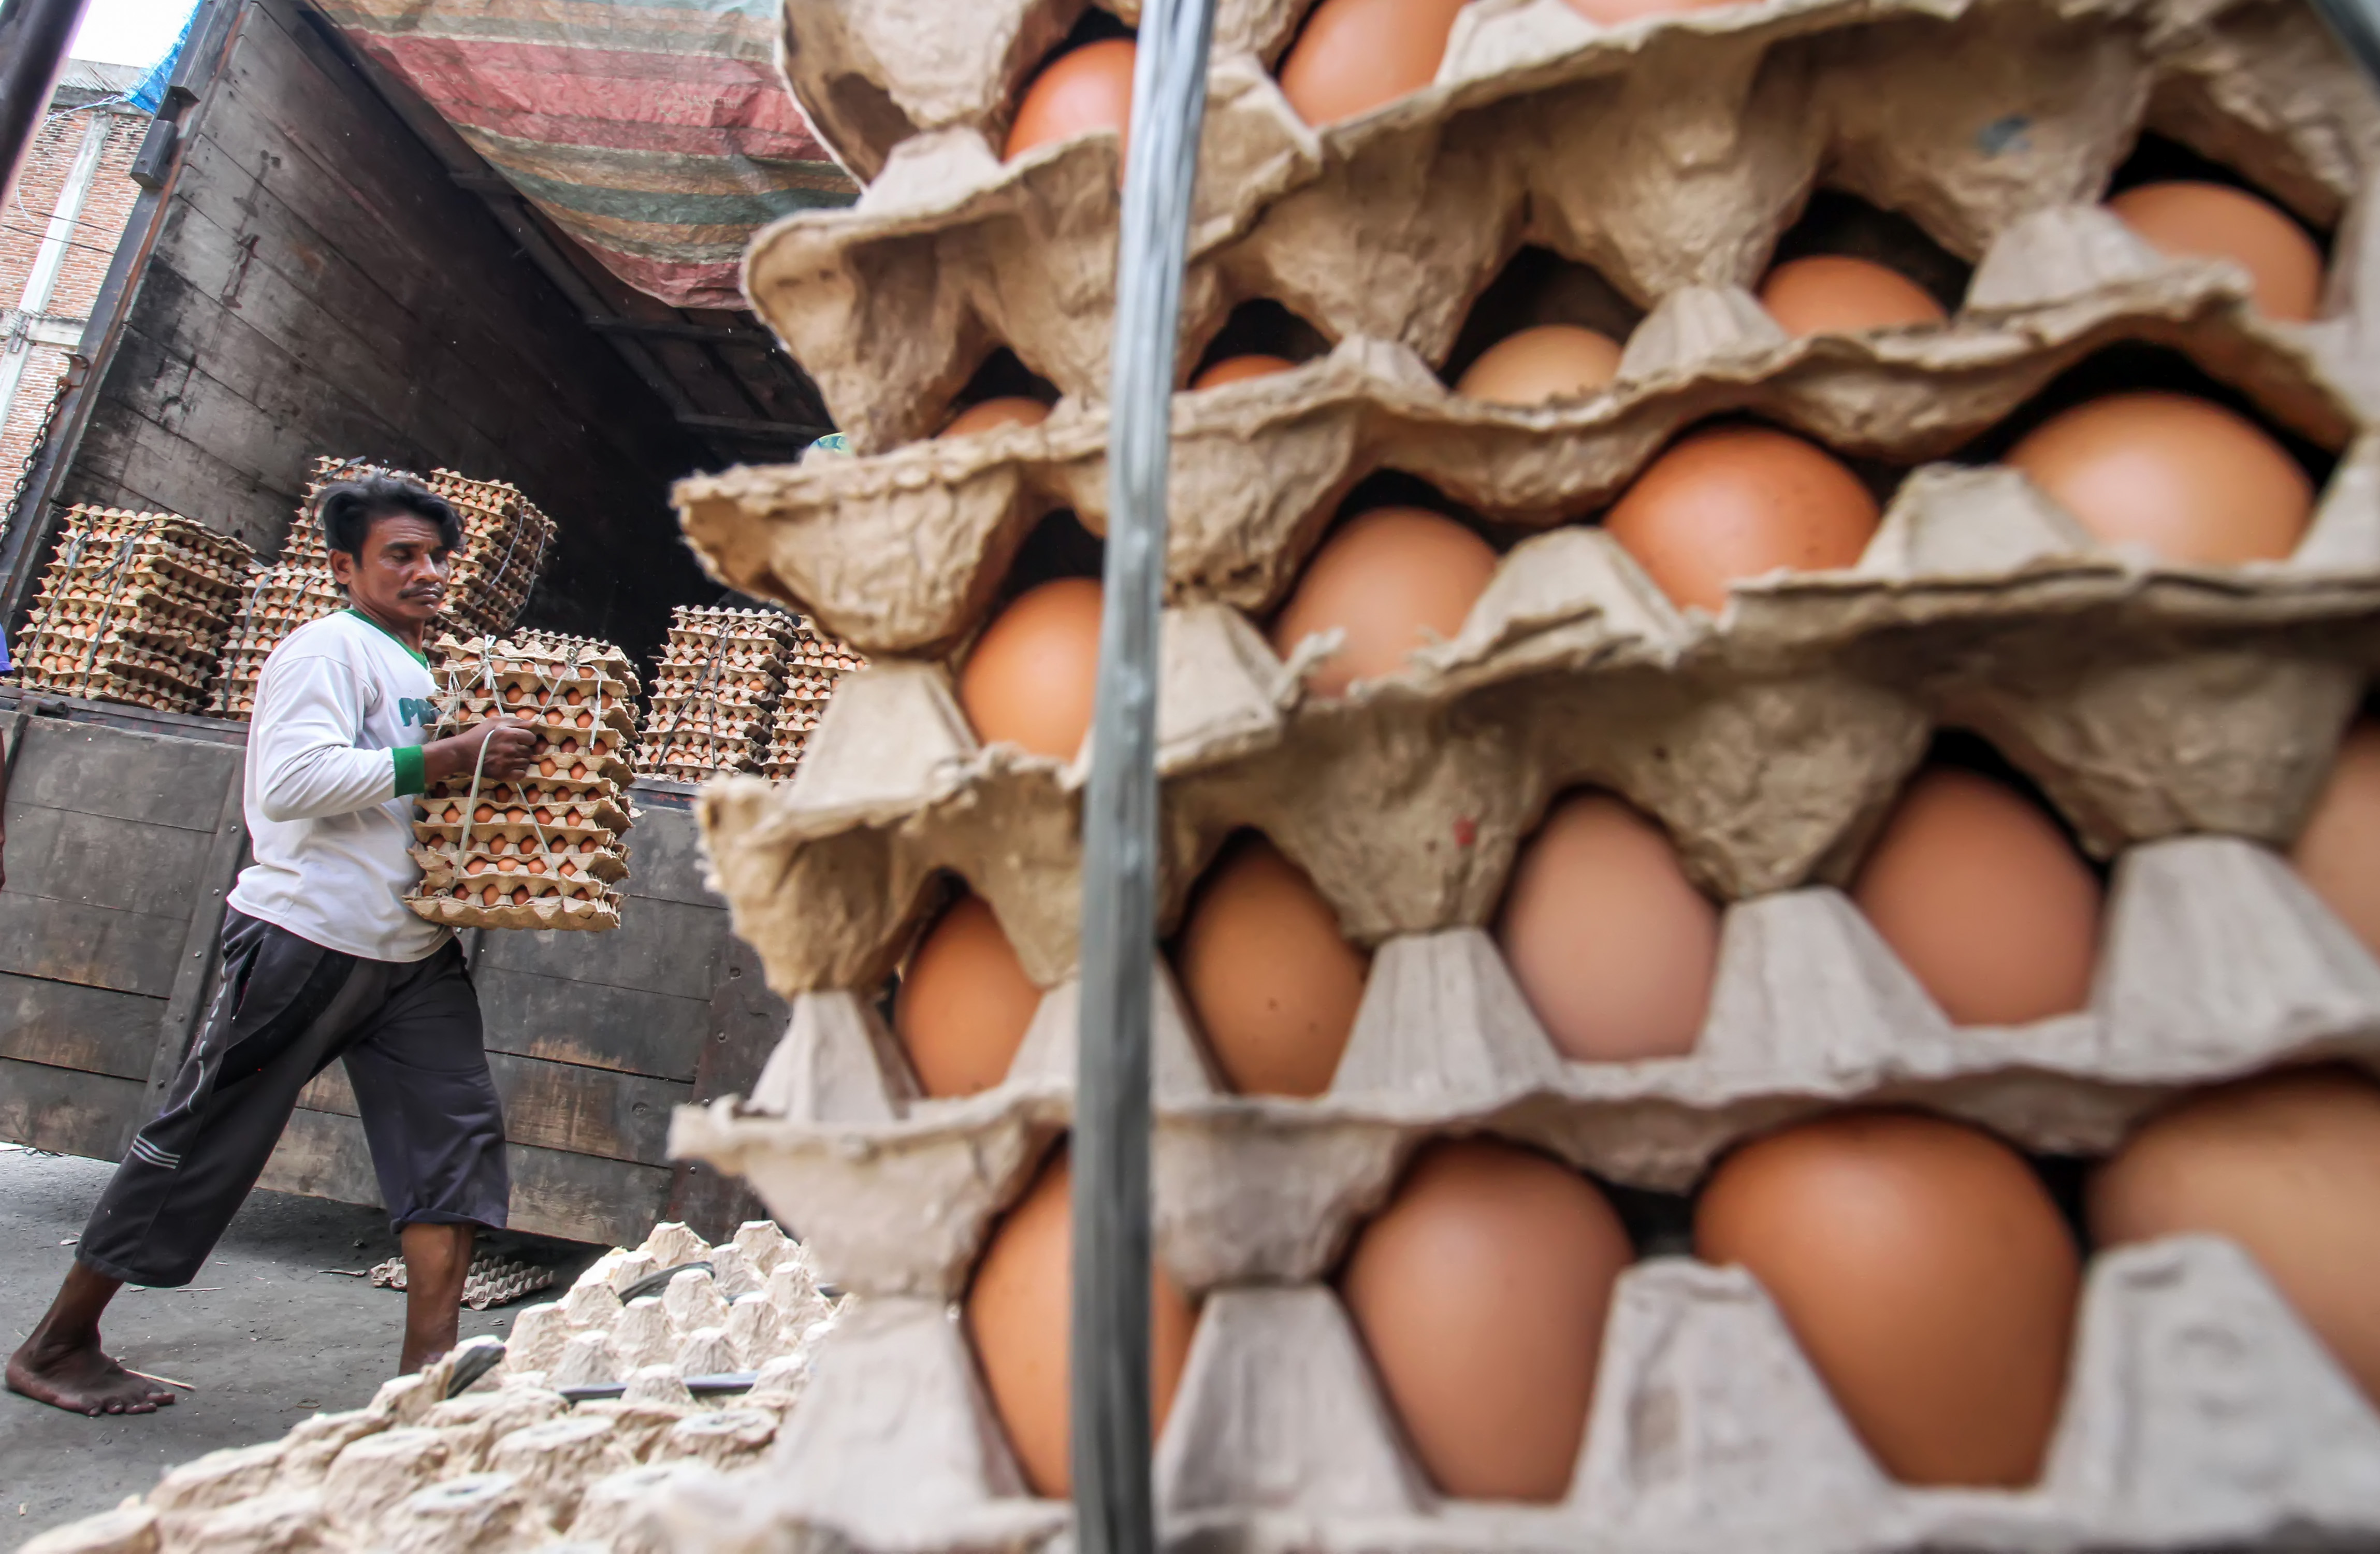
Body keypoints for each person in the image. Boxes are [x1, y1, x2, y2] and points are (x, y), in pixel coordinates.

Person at [6, 476, 541, 1416]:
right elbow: (292, 782)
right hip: (308, 936)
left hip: (412, 952)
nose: (427, 572)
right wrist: (449, 757)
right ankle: (58, 1344)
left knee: (453, 1143)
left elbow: (412, 793)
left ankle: (429, 1380)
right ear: (344, 566)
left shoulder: (425, 670)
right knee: (206, 1137)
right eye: (401, 555)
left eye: (436, 556)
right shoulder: (326, 650)